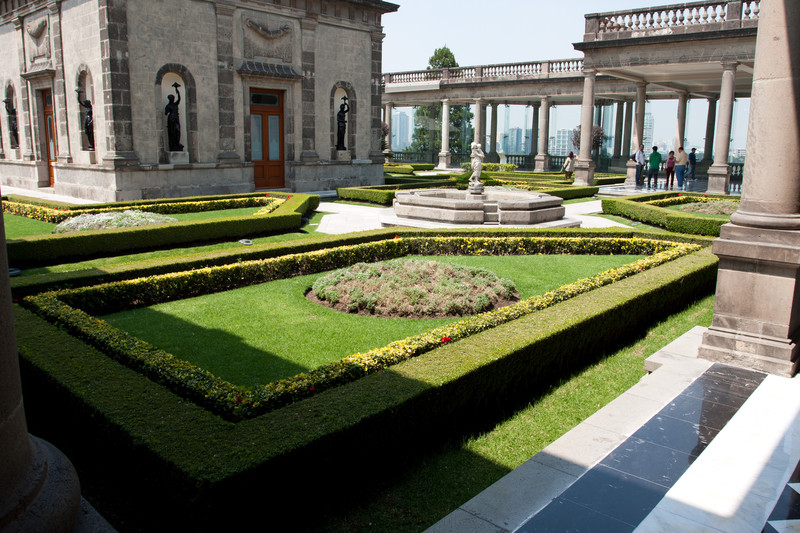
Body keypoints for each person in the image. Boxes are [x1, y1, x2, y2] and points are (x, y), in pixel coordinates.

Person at [164, 84, 183, 152]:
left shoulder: (175, 104)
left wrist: (177, 90)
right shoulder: (168, 106)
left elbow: (179, 98)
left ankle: (177, 143)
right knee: (172, 132)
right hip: (171, 119)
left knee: (177, 131)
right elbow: (166, 113)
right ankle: (173, 144)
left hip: (176, 118)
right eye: (172, 98)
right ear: (170, 99)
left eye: (173, 98)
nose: (173, 99)